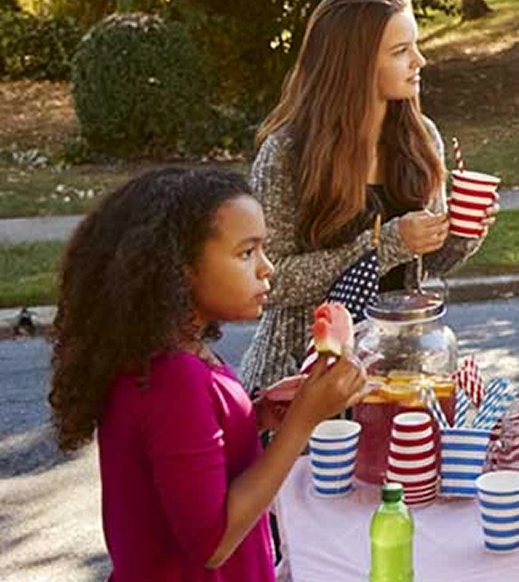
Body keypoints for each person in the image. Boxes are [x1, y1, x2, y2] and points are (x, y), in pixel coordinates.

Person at [49, 167, 368, 582]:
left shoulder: (171, 354)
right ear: (181, 268)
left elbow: (182, 464)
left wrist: (259, 417)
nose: (266, 268)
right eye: (245, 253)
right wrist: (302, 424)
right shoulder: (172, 378)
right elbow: (212, 542)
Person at [238, 0, 488, 393]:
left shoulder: (421, 139)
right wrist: (385, 243)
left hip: (395, 375)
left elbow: (428, 265)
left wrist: (460, 232)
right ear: (353, 65)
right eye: (400, 51)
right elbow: (272, 280)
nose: (419, 61)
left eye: (415, 46)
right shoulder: (286, 153)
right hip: (300, 382)